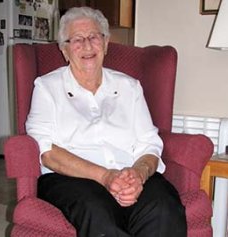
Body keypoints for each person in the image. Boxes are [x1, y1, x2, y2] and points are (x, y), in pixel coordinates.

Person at [26, 6, 186, 237]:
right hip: (71, 179)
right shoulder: (47, 87)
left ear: (106, 43)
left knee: (165, 207)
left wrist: (137, 174)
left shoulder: (129, 87)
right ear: (64, 50)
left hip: (130, 172)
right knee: (98, 214)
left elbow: (150, 143)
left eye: (94, 36)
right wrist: (105, 176)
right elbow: (46, 151)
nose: (88, 45)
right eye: (77, 40)